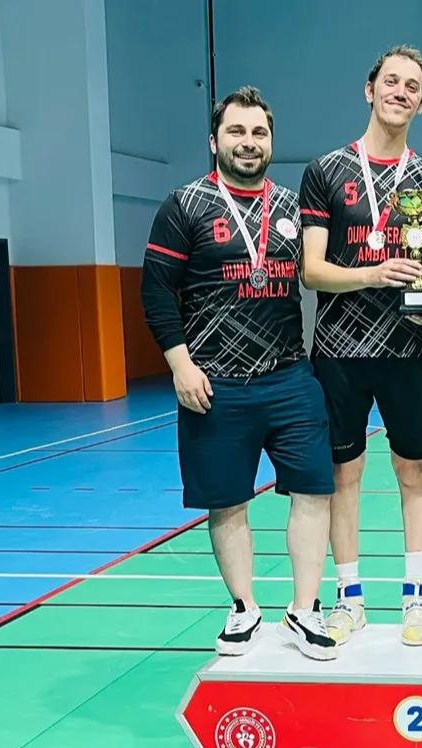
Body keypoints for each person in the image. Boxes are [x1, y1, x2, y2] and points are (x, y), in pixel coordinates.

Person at [141, 86, 337, 661]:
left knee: (314, 490)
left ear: (271, 141)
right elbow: (156, 291)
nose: (248, 143)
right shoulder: (184, 206)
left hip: (289, 375)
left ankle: (304, 610)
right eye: (236, 132)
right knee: (227, 501)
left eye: (258, 133)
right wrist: (180, 364)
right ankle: (244, 608)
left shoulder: (292, 207)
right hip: (214, 383)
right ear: (214, 141)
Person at [300, 46, 422, 648]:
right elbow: (311, 270)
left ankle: (417, 599)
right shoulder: (326, 171)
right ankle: (350, 599)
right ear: (370, 89)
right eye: (391, 81)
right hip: (338, 352)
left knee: (415, 471)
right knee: (345, 474)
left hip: (407, 351)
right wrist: (372, 274)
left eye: (412, 86)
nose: (400, 92)